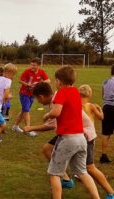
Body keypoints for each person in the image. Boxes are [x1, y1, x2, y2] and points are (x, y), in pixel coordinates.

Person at [43, 66, 99, 199]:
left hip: (67, 139)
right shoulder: (75, 92)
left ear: (59, 82)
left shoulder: (61, 92)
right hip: (81, 138)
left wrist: (47, 115)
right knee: (82, 172)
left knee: (55, 173)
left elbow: (56, 112)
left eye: (56, 81)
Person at [12, 57, 50, 137]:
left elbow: (48, 80)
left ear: (38, 66)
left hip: (32, 95)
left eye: (34, 65)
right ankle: (28, 129)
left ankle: (15, 126)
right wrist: (27, 84)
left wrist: (38, 83)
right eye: (31, 65)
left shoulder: (41, 72)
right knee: (26, 111)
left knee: (24, 111)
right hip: (24, 94)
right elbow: (20, 80)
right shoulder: (27, 71)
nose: (32, 67)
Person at [100, 64, 114, 163]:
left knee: (106, 132)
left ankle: (103, 155)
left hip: (106, 108)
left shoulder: (105, 81)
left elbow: (102, 95)